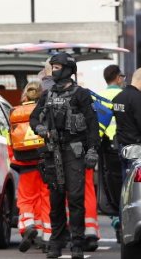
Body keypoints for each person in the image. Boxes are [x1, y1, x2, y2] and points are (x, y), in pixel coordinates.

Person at [29, 52, 100, 259]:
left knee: (76, 198)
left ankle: (77, 243)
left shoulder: (81, 95)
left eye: (58, 66)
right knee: (56, 197)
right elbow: (34, 118)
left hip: (74, 151)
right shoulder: (47, 94)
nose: (54, 70)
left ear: (68, 69)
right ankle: (56, 243)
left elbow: (92, 125)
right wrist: (41, 128)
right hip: (53, 152)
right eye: (53, 67)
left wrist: (93, 149)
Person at [8, 81, 51, 253]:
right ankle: (46, 236)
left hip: (25, 163)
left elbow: (10, 140)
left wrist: (14, 160)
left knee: (26, 199)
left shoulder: (15, 111)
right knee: (46, 200)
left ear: (25, 94)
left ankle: (28, 225)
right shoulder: (46, 110)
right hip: (45, 161)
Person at [97, 64, 126, 241]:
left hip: (104, 146)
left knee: (107, 184)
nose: (123, 79)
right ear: (117, 77)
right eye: (122, 76)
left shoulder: (99, 97)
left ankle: (115, 218)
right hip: (120, 145)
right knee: (123, 184)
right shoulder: (122, 96)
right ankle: (122, 219)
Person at [112, 67, 141, 178]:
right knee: (135, 183)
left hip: (121, 146)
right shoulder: (139, 98)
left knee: (125, 181)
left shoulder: (118, 98)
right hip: (136, 148)